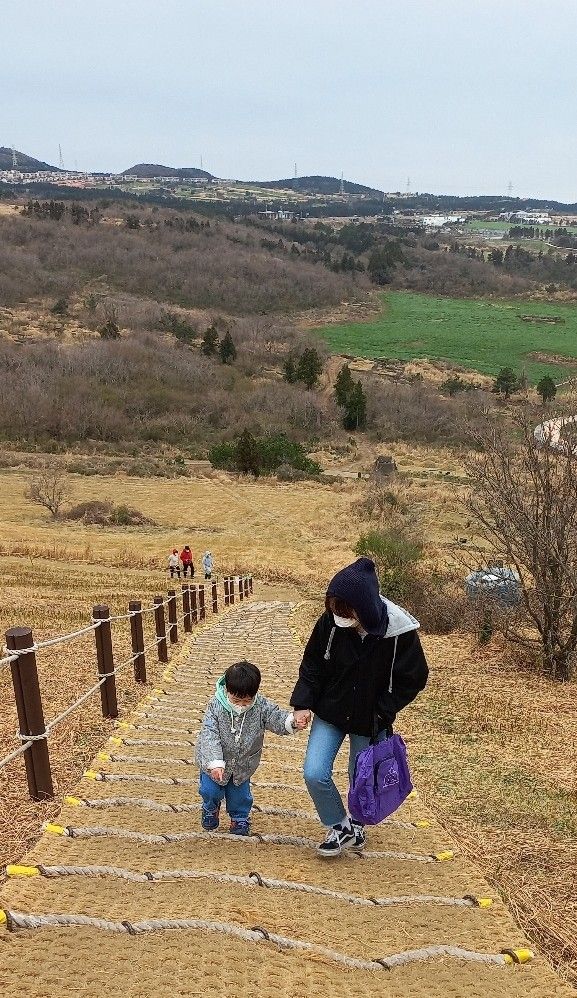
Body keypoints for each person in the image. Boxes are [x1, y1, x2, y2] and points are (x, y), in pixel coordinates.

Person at [290, 557, 429, 858]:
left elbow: (415, 677)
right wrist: (302, 703)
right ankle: (339, 825)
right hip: (331, 709)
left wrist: (383, 710)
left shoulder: (399, 631)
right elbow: (312, 664)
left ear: (364, 606)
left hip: (370, 718)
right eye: (335, 609)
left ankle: (356, 825)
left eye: (347, 611)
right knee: (314, 771)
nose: (340, 617)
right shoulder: (330, 621)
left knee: (361, 779)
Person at [196, 660, 308, 835]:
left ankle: (240, 818)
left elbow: (276, 718)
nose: (241, 705)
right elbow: (209, 734)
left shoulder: (261, 706)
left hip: (243, 763)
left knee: (240, 794)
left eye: (247, 701)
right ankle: (210, 808)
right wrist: (215, 762)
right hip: (215, 762)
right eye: (236, 700)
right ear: (227, 690)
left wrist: (293, 722)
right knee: (210, 790)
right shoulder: (215, 706)